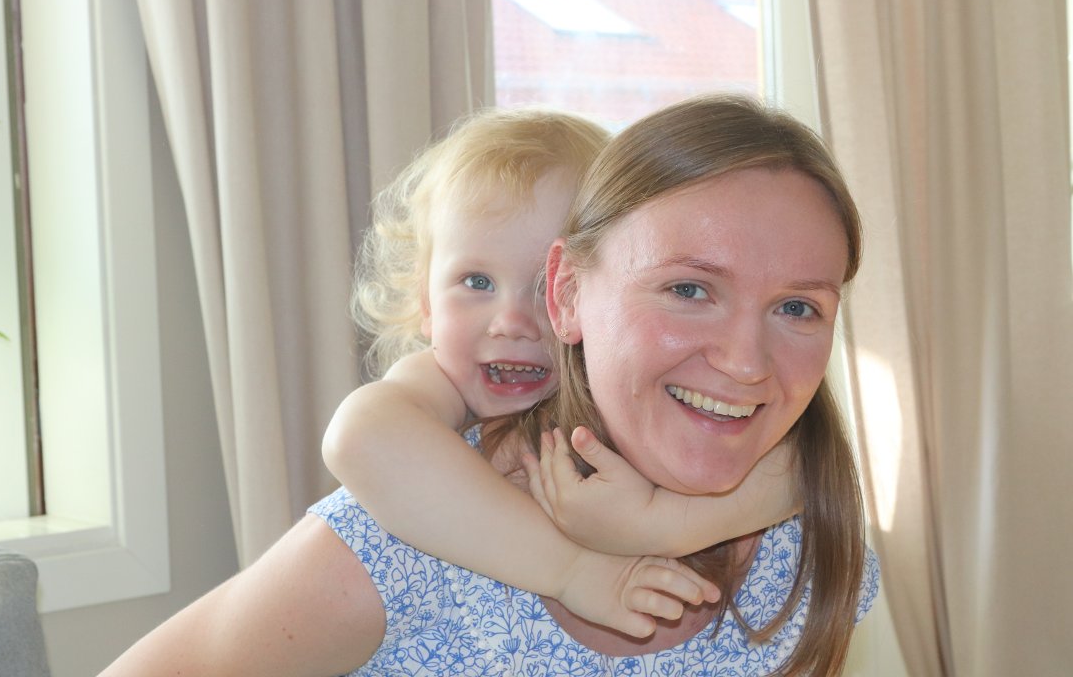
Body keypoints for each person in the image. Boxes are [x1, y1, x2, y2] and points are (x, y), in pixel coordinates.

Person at [98, 94, 879, 677]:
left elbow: (811, 471)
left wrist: (662, 526)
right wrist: (585, 562)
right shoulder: (420, 527)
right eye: (688, 289)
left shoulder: (804, 547)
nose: (745, 362)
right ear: (572, 292)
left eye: (797, 307)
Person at [320, 104, 800, 638]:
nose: (511, 322)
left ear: (585, 295)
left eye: (543, 288)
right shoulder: (434, 386)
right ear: (425, 302)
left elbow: (803, 468)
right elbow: (358, 436)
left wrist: (662, 525)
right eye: (476, 282)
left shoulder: (641, 403)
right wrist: (573, 571)